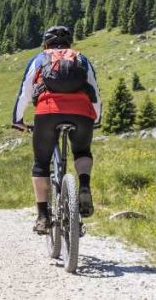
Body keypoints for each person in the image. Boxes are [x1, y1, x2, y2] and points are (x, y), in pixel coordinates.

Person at [12, 25, 101, 234]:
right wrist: (96, 118)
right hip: (81, 113)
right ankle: (84, 185)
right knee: (82, 152)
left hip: (47, 112)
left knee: (41, 163)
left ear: (45, 43)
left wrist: (18, 120)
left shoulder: (40, 59)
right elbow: (95, 91)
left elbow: (24, 92)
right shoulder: (81, 59)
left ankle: (43, 217)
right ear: (70, 43)